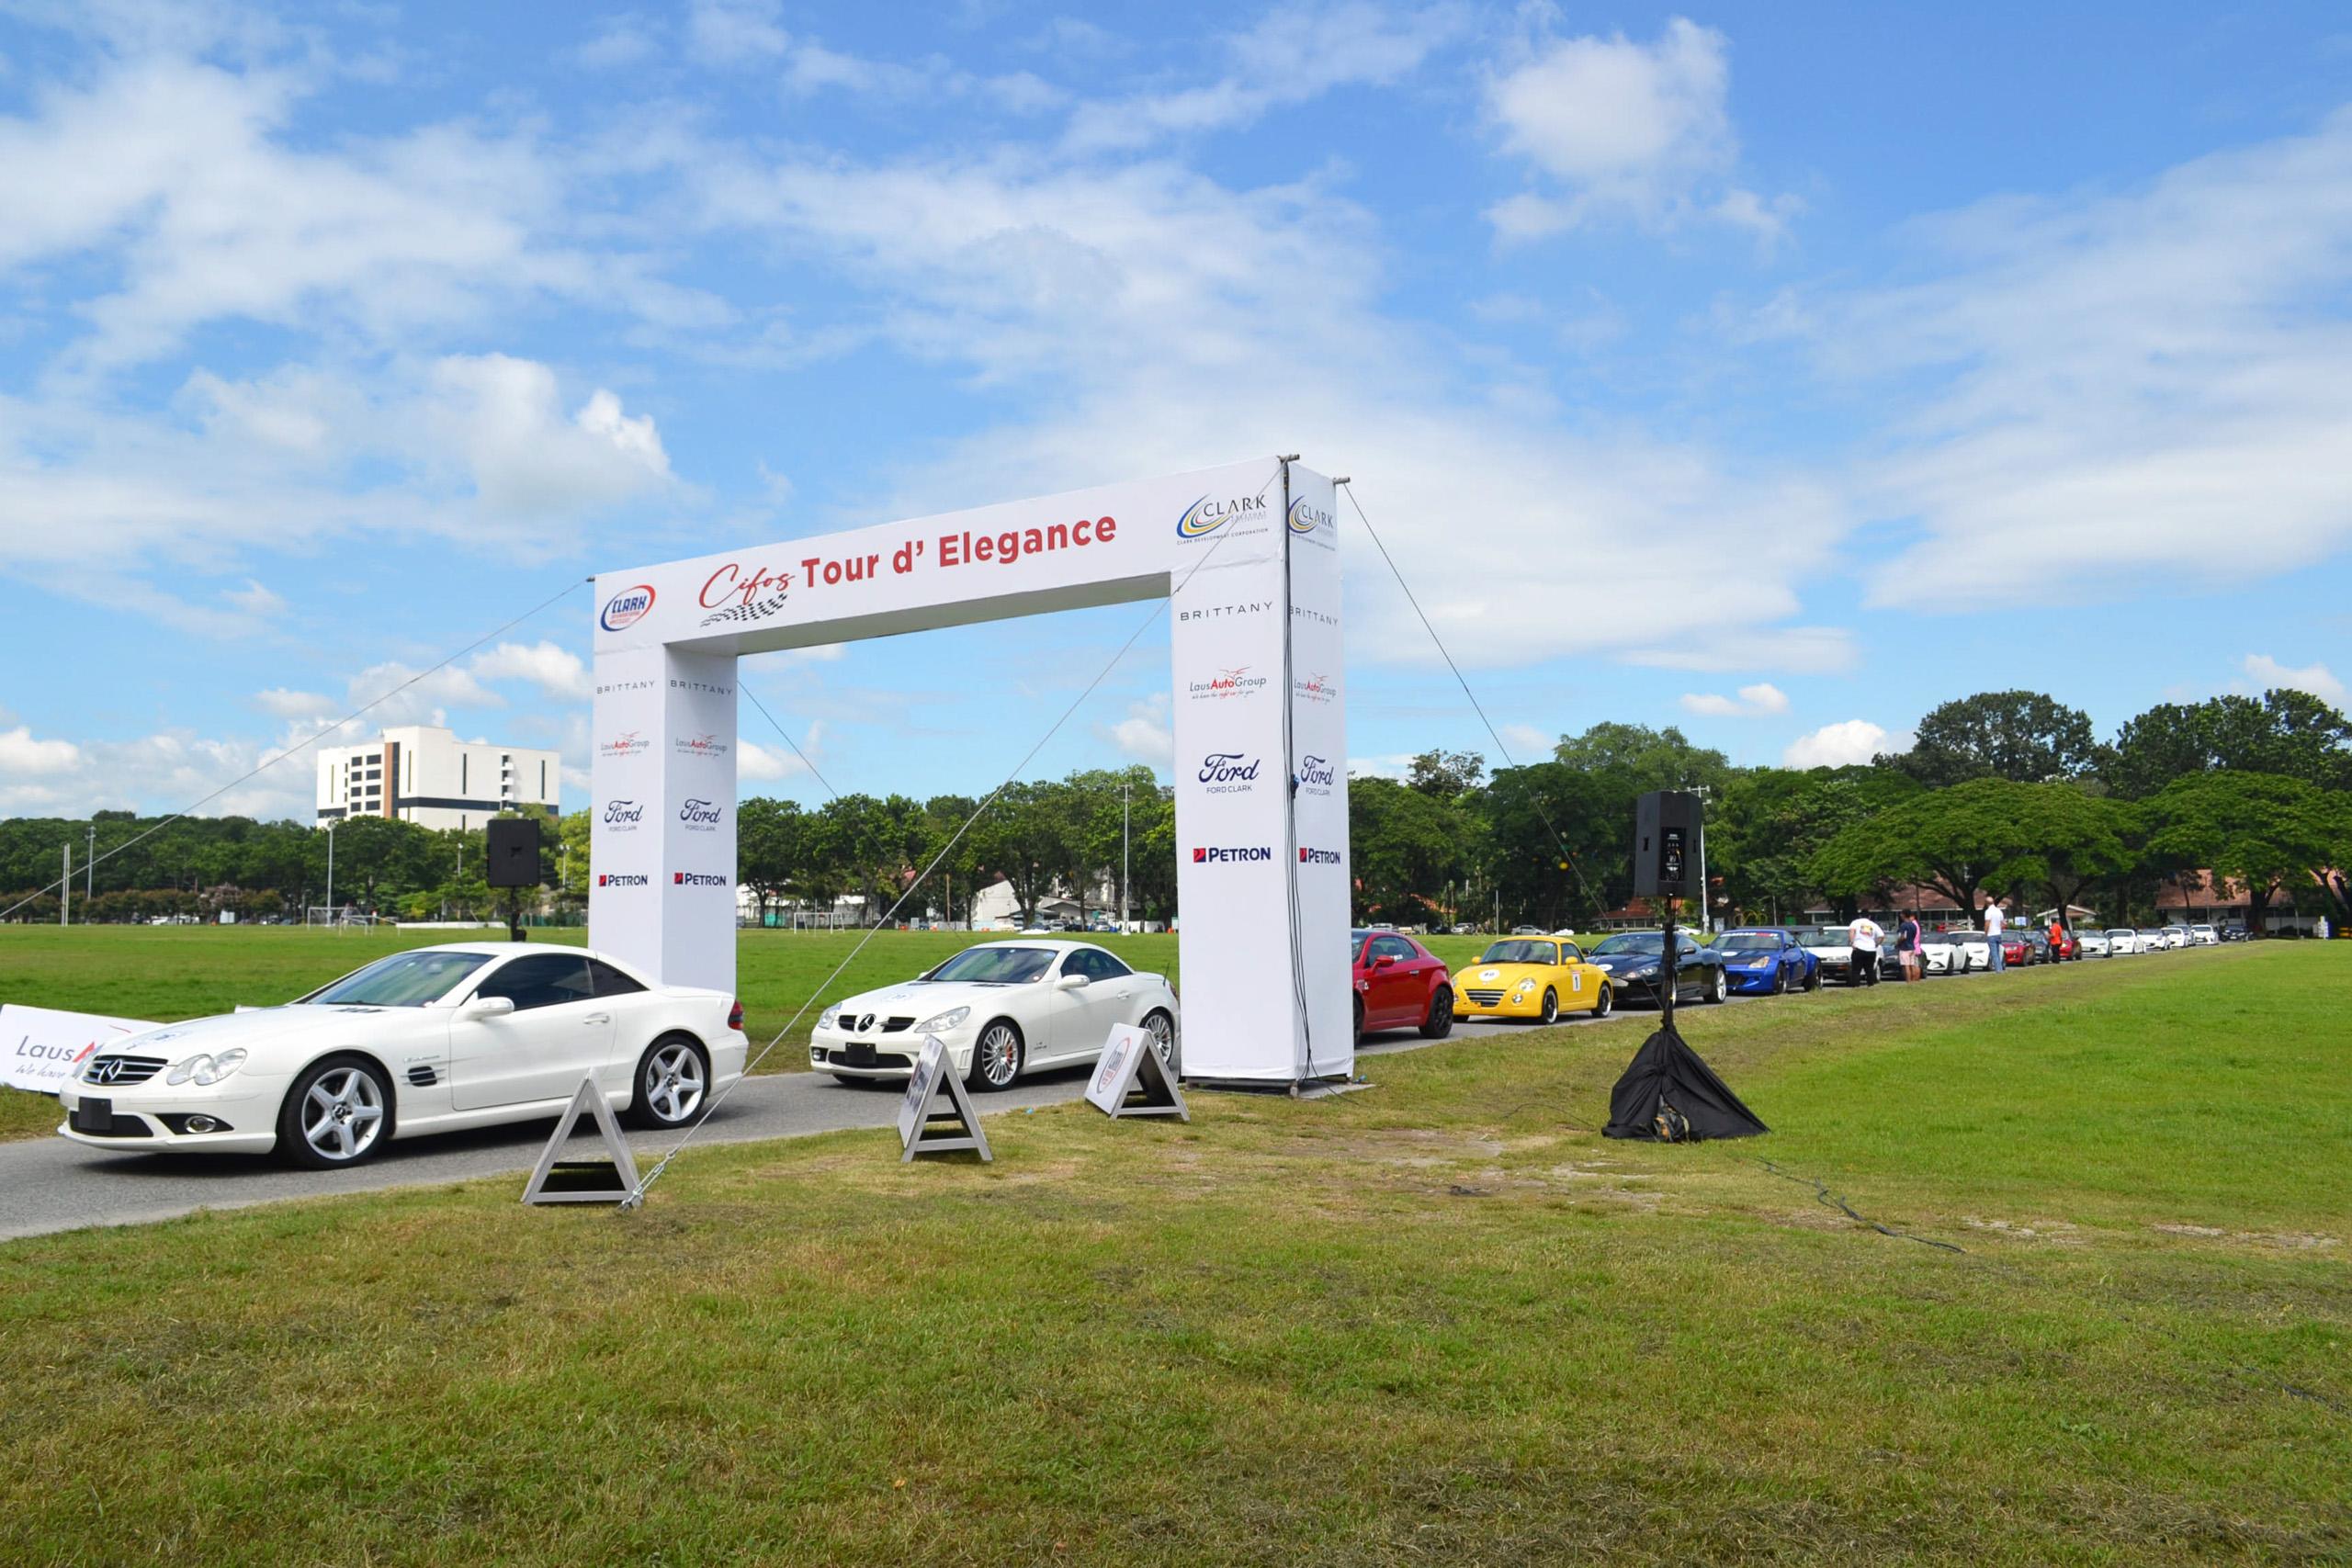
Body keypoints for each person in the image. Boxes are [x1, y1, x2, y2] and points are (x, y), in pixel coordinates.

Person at [1849, 912, 1883, 986]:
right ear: (1869, 916)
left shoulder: (1855, 922)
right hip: (1871, 950)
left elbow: (1852, 931)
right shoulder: (1873, 924)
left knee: (1856, 970)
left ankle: (1856, 985)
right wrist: (1876, 944)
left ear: (1860, 916)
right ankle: (1870, 985)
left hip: (1859, 948)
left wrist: (1852, 942)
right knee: (1869, 969)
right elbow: (1881, 936)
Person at [1897, 909, 1923, 982]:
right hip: (1912, 947)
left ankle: (1908, 981)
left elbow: (1903, 936)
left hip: (1905, 948)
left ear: (1904, 915)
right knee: (1912, 965)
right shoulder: (1913, 925)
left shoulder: (1903, 925)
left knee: (1906, 966)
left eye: (1901, 914)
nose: (1900, 915)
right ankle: (1914, 980)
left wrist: (1898, 943)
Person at [1984, 897, 2007, 973]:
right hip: (1998, 934)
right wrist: (1999, 929)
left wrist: (1986, 933)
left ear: (1986, 903)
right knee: (1997, 953)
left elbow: (1987, 923)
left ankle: (1998, 970)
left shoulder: (1988, 911)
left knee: (1994, 953)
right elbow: (2003, 923)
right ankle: (2000, 968)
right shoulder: (1999, 911)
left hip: (1991, 934)